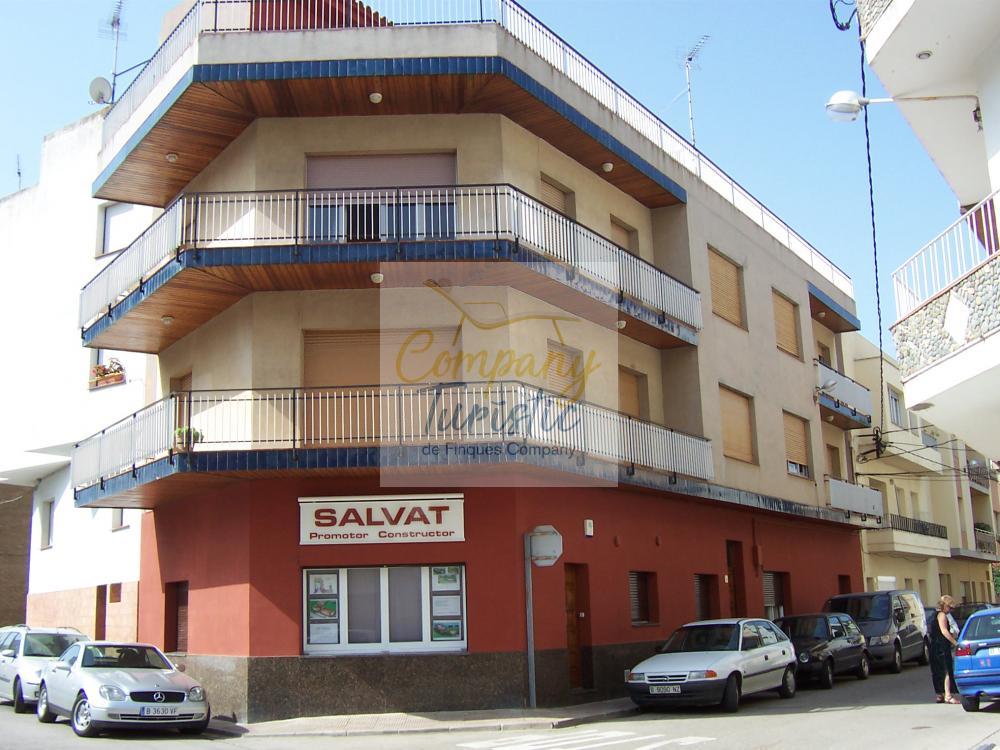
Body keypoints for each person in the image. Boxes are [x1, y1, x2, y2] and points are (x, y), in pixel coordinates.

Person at [930, 595, 959, 704]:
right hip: (941, 646)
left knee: (937, 670)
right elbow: (944, 631)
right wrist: (955, 642)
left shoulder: (934, 615)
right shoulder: (942, 615)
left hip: (934, 645)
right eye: (950, 608)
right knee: (946, 670)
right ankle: (947, 695)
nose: (951, 610)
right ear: (945, 606)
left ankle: (939, 695)